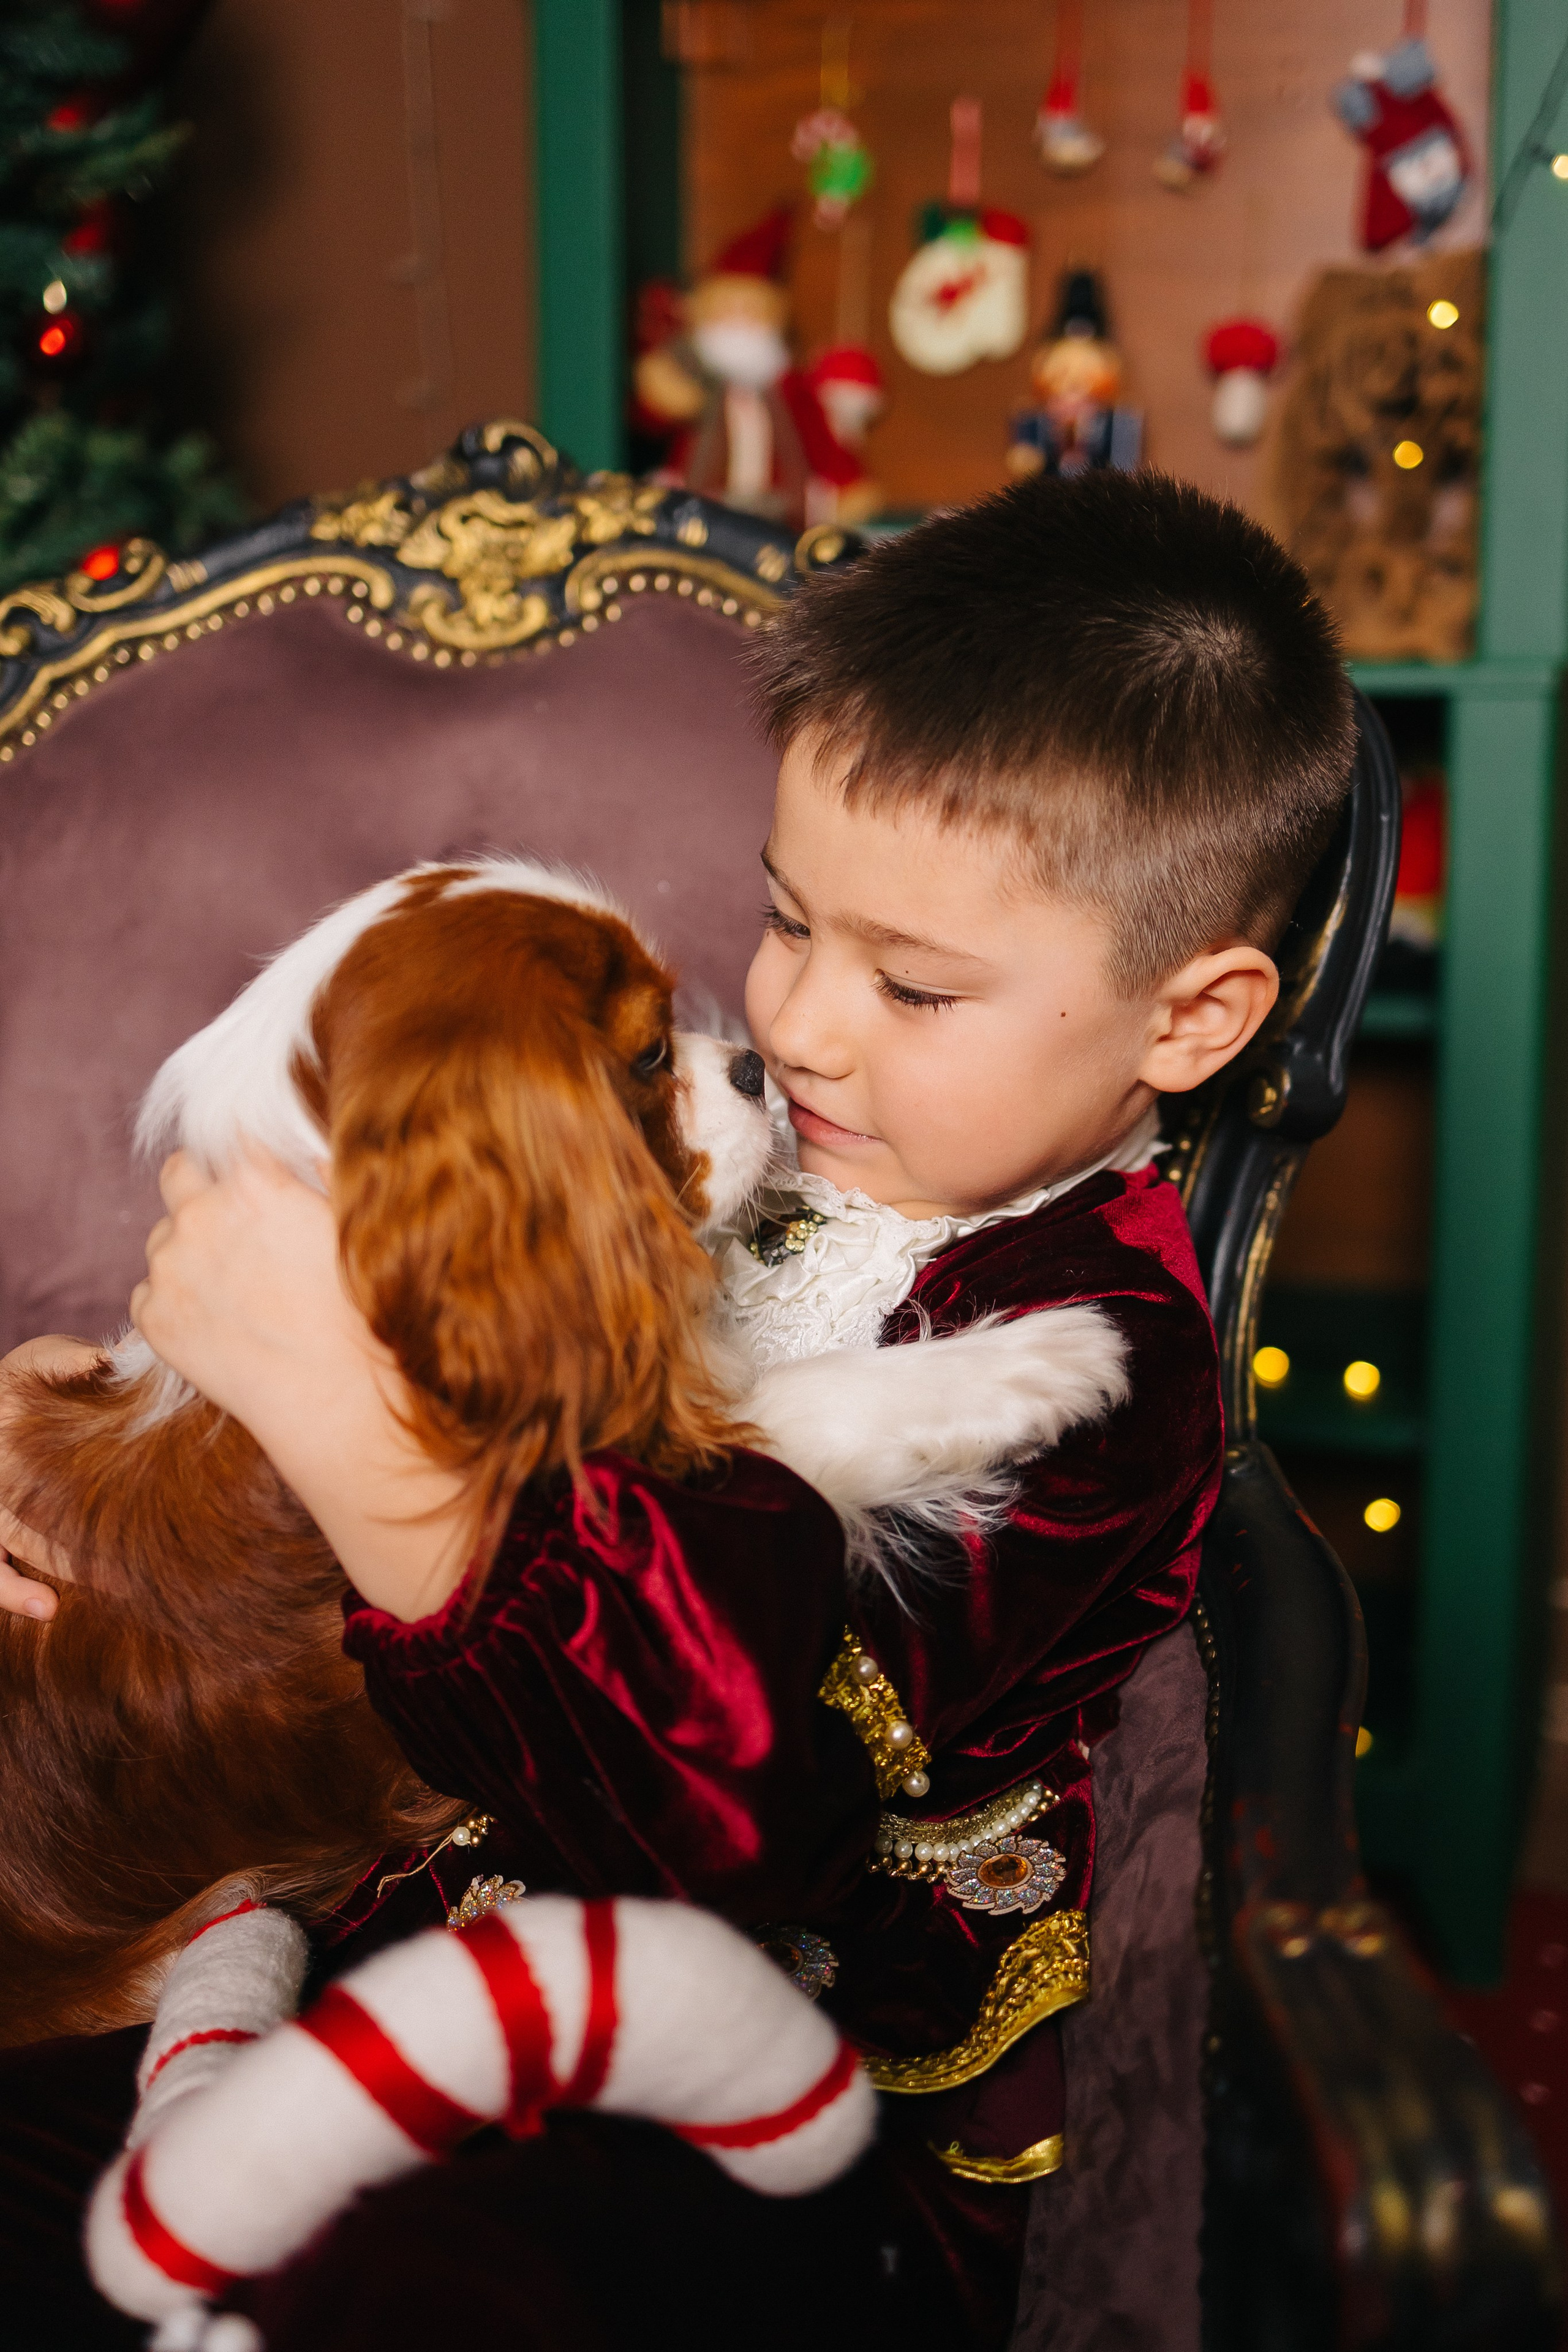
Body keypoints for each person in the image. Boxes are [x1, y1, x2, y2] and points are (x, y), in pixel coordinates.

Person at [0, 471, 1357, 2350]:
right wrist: (127, 1443)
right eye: (794, 921)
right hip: (404, 1936)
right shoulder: (767, 1156)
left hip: (760, 2095)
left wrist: (361, 1447)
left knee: (429, 2295)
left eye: (917, 983)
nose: (800, 1022)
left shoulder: (1092, 1369)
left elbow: (720, 1811)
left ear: (1191, 1022)